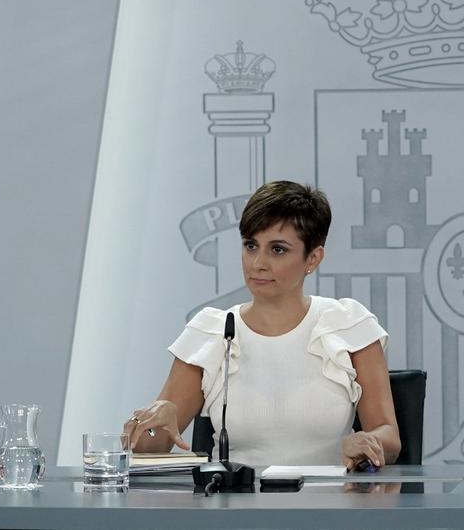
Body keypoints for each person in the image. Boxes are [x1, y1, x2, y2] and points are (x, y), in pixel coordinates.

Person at [124, 180, 400, 470]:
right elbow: (150, 449)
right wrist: (149, 428)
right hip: (233, 509)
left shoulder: (347, 324)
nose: (258, 263)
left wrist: (369, 442)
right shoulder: (212, 332)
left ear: (313, 258)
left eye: (277, 250)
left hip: (330, 506)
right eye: (250, 245)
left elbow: (388, 434)